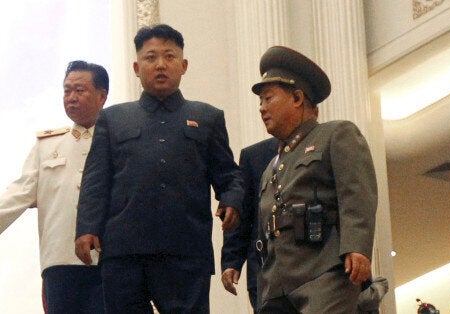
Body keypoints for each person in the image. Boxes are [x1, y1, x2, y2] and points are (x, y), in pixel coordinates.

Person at [74, 24, 244, 313]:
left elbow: (229, 176)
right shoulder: (113, 119)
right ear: (137, 67)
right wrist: (86, 228)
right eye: (151, 57)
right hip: (124, 253)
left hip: (186, 252)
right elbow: (95, 180)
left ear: (184, 65)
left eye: (169, 56)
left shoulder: (207, 117)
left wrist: (232, 200)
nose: (161, 65)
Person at [252, 46, 378, 313]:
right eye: (260, 102)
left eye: (268, 98)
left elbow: (356, 193)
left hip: (324, 274)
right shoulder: (271, 166)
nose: (262, 108)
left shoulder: (336, 134)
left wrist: (358, 247)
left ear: (297, 98)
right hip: (277, 285)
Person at [0, 60, 108, 313]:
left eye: (79, 90)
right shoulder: (47, 145)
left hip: (108, 261)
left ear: (102, 96)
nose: (71, 97)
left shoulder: (119, 141)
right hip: (60, 261)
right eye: (66, 90)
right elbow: (17, 195)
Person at [221, 136, 278, 309]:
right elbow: (242, 214)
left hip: (312, 271)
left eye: (268, 105)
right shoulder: (254, 155)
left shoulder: (326, 145)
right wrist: (232, 261)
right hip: (264, 269)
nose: (263, 110)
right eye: (261, 106)